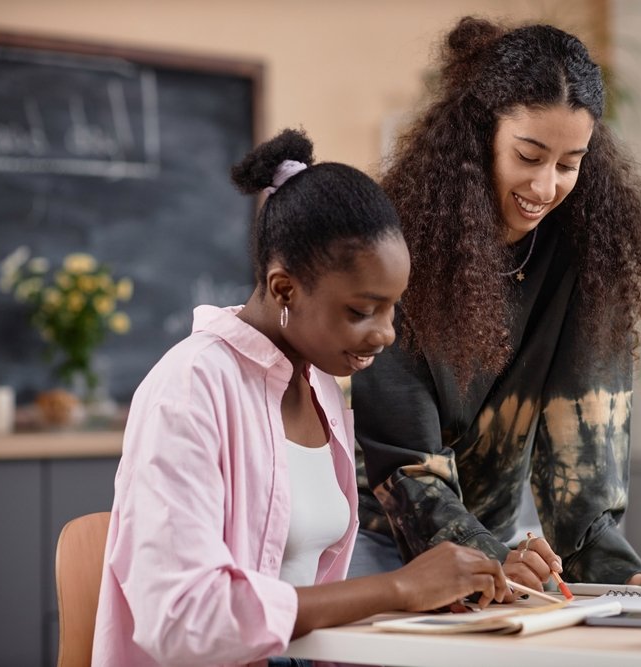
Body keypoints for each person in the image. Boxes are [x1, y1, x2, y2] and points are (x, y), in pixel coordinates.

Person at [92, 128, 509, 667]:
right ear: (284, 288)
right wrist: (399, 590)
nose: (386, 334)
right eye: (362, 311)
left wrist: (431, 603)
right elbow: (183, 619)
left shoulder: (320, 390)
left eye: (392, 309)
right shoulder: (190, 388)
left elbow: (309, 602)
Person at [349, 16, 641, 594]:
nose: (546, 187)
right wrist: (491, 556)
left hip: (496, 547)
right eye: (529, 156)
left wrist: (624, 578)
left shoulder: (586, 256)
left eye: (569, 164)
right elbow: (404, 464)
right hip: (379, 543)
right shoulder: (398, 250)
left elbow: (584, 459)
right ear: (479, 136)